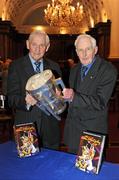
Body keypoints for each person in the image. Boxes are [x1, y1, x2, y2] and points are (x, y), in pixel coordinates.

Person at [63, 34, 117, 154]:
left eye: (88, 49)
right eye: (80, 50)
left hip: (92, 131)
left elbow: (100, 102)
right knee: (70, 170)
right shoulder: (74, 70)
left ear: (95, 49)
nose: (84, 54)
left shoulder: (108, 70)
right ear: (76, 52)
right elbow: (71, 102)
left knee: (89, 170)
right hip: (73, 130)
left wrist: (73, 97)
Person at [7, 30, 62, 150]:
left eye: (42, 45)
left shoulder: (54, 67)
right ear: (27, 44)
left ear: (47, 47)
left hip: (50, 129)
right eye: (34, 45)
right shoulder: (16, 66)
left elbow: (61, 101)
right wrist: (25, 101)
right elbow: (10, 98)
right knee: (26, 167)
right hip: (26, 126)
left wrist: (59, 97)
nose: (37, 49)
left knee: (50, 166)